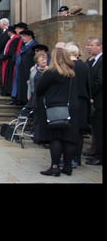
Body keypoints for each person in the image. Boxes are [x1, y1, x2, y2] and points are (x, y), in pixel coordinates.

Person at [35, 47, 79, 176]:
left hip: (55, 108)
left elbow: (40, 90)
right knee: (69, 138)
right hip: (72, 107)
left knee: (56, 138)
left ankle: (54, 167)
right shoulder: (72, 72)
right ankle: (67, 166)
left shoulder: (51, 73)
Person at [64, 43, 91, 168]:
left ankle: (69, 158)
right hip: (83, 101)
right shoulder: (85, 66)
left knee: (69, 130)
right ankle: (77, 158)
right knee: (79, 132)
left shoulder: (67, 66)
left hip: (70, 101)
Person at [84, 37, 102, 166]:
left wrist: (90, 93)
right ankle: (96, 152)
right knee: (96, 129)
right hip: (95, 101)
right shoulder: (94, 60)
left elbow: (99, 81)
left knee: (100, 130)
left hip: (99, 101)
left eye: (92, 45)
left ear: (100, 46)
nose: (89, 47)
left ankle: (100, 156)